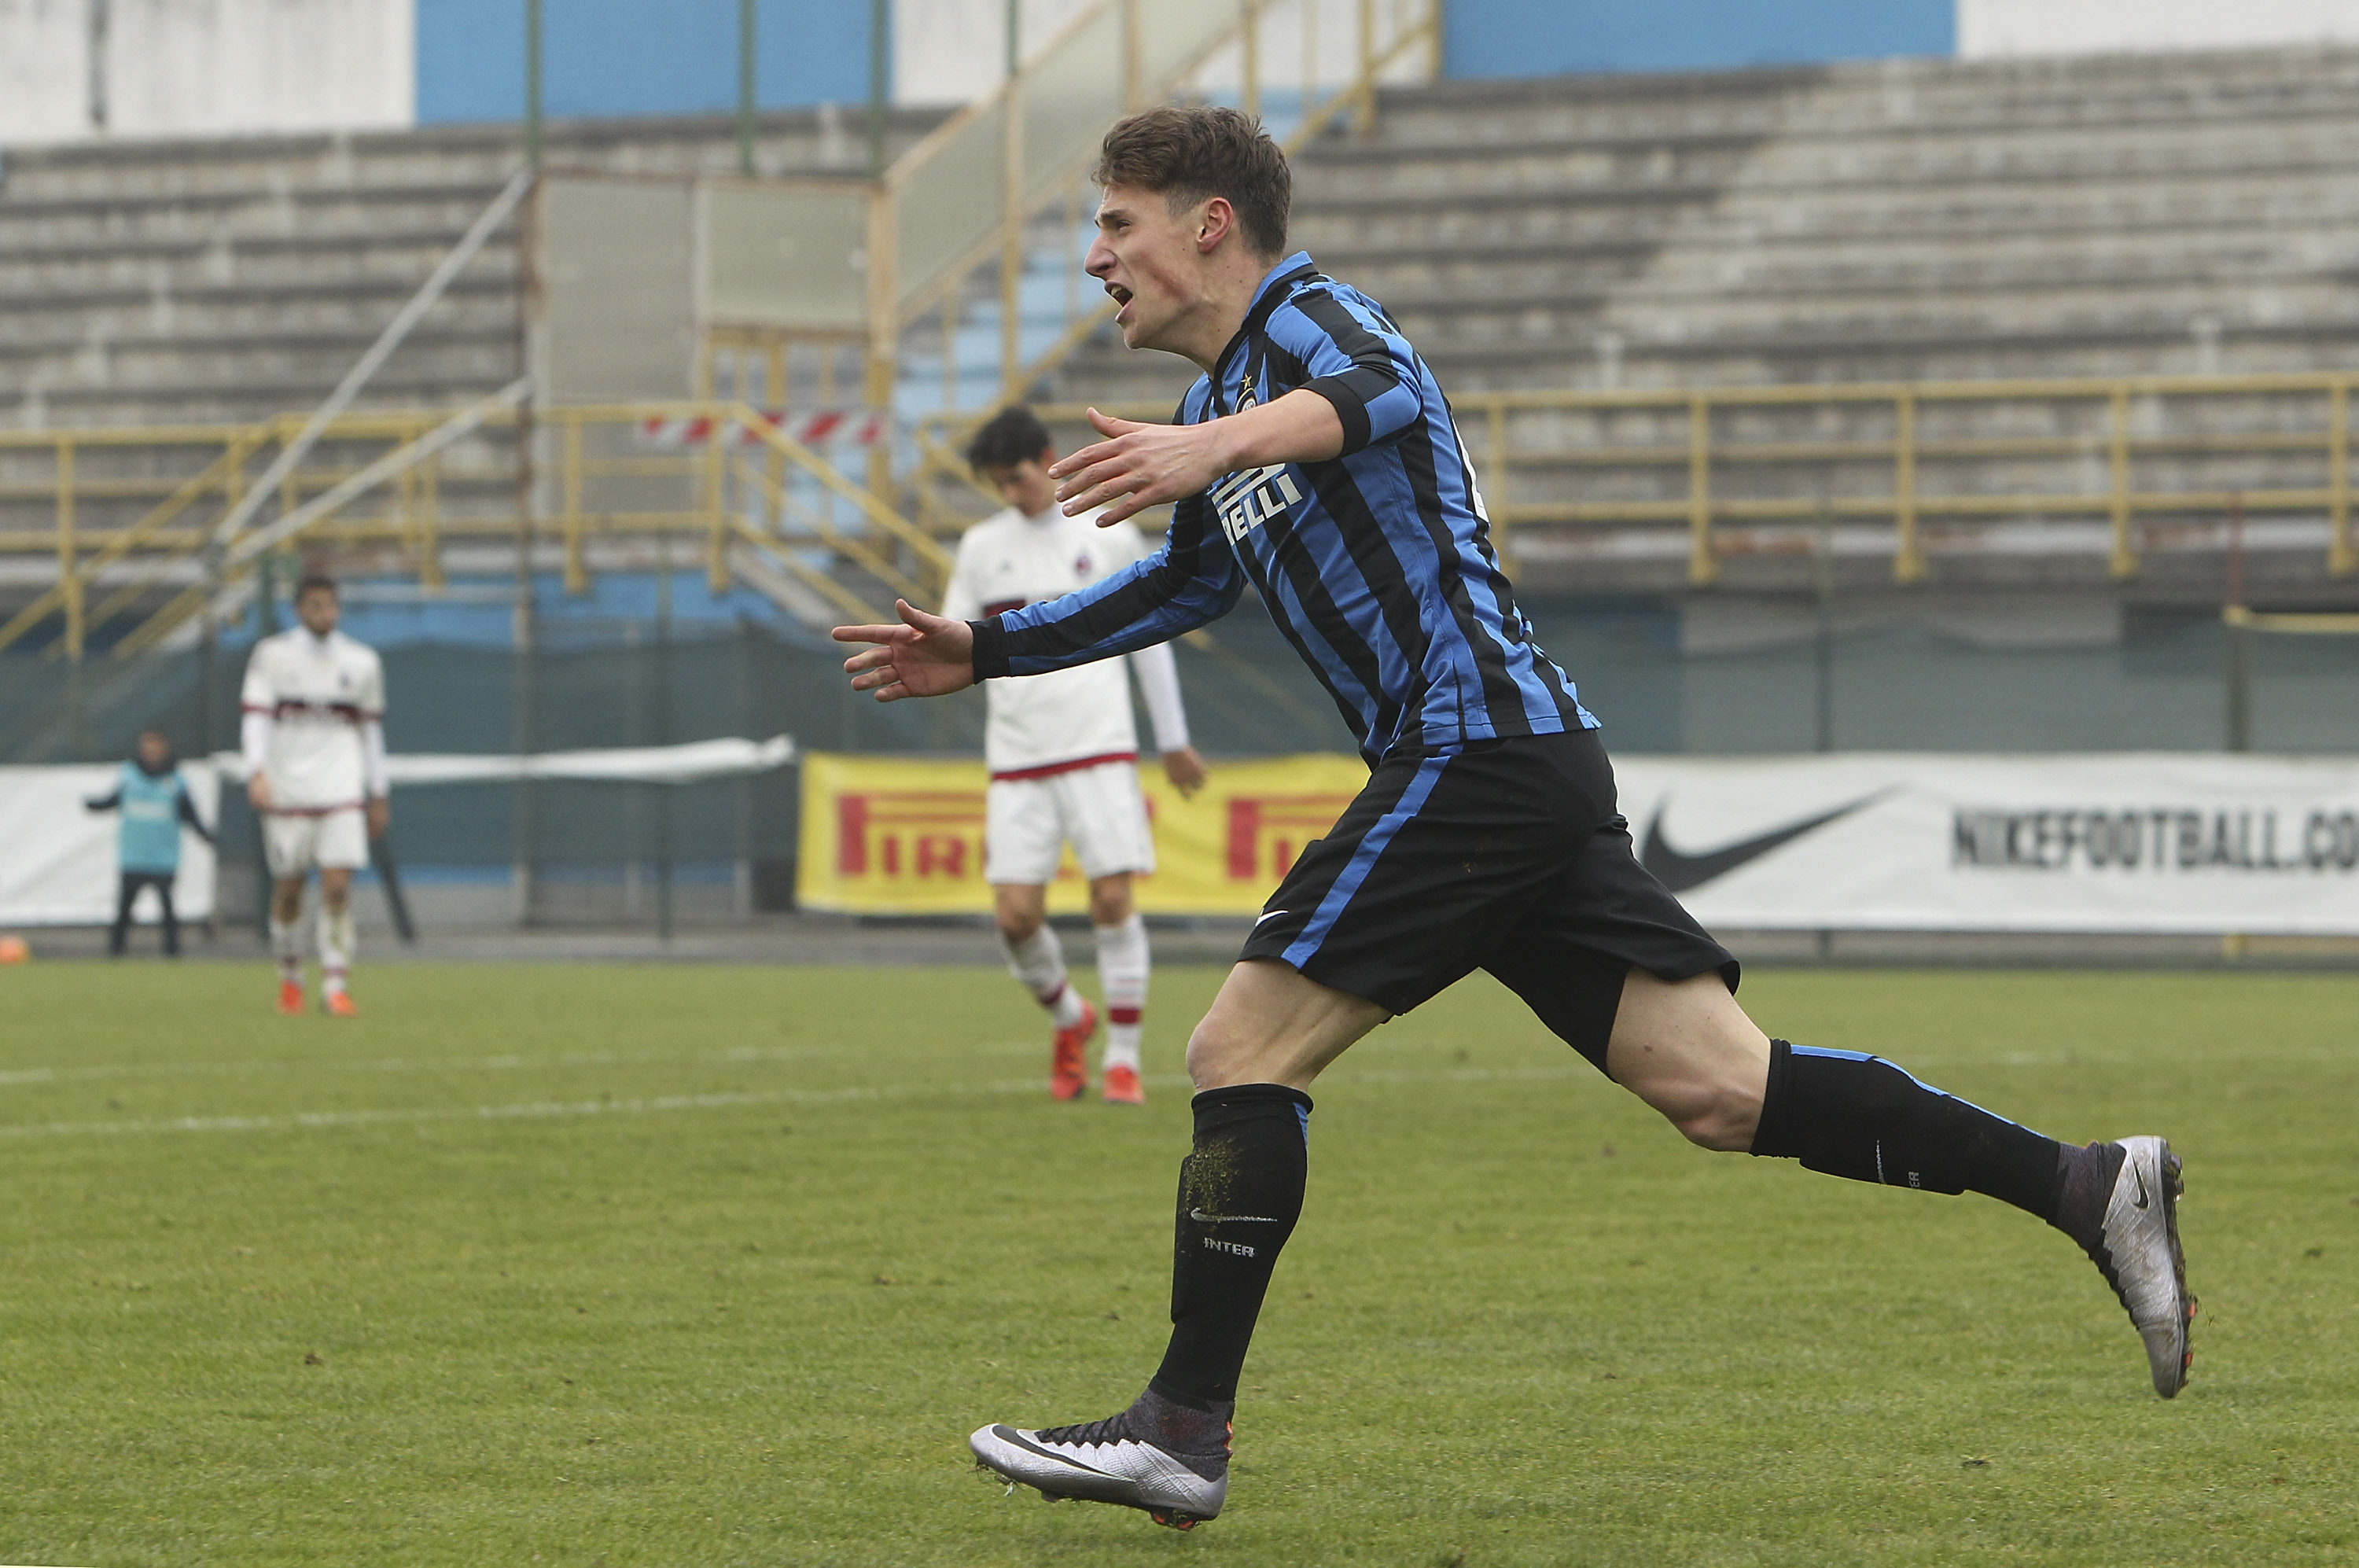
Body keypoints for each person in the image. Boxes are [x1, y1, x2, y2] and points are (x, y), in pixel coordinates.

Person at [834, 105, 2192, 1530]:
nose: (1094, 253)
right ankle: (2091, 1183)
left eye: (1117, 222)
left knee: (1239, 1047)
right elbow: (1182, 590)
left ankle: (1179, 1424)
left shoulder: (1307, 321)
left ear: (1207, 224)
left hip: (1470, 750)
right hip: (1519, 762)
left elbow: (1385, 392)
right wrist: (987, 648)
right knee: (1724, 1089)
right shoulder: (1229, 407)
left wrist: (1211, 444)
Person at [945, 404, 1209, 1104]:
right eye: (998, 483)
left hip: (1098, 744)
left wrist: (1173, 738)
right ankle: (1072, 1018)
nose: (1011, 493)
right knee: (1015, 918)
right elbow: (957, 644)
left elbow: (1151, 633)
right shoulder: (979, 549)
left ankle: (1122, 1057)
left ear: (1048, 456)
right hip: (1018, 755)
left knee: (1113, 897)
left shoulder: (1103, 529)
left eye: (1018, 477)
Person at [240, 573, 388, 1018]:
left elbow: (371, 732)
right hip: (288, 792)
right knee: (289, 890)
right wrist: (257, 773)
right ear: (300, 608)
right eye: (318, 605)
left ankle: (336, 984)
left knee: (338, 887)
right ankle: (290, 976)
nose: (328, 613)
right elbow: (256, 718)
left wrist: (378, 792)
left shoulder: (361, 662)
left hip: (341, 791)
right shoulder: (272, 656)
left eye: (333, 605)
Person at [84, 727, 215, 957]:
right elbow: (113, 800)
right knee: (125, 908)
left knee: (167, 908)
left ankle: (172, 953)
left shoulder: (175, 782)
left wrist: (205, 834)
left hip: (163, 858)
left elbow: (189, 814)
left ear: (164, 749)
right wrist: (94, 805)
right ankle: (116, 951)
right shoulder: (129, 776)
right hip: (133, 856)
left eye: (155, 747)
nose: (150, 752)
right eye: (146, 747)